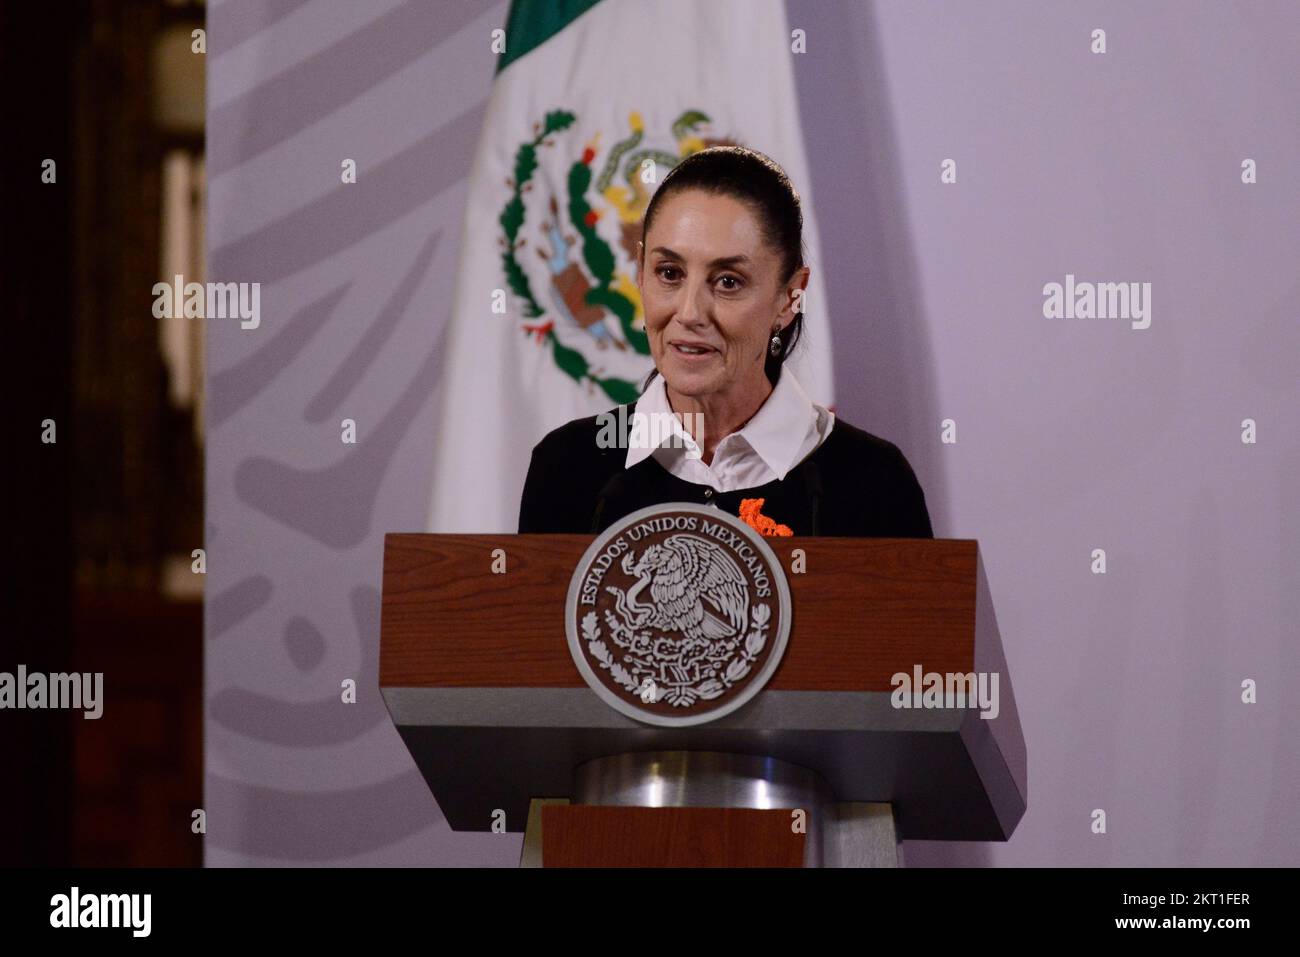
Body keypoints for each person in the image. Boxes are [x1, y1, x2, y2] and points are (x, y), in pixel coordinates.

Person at [518, 145, 933, 539]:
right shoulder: (569, 467)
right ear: (640, 272)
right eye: (669, 273)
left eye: (728, 282)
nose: (690, 313)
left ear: (790, 296)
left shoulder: (874, 481)